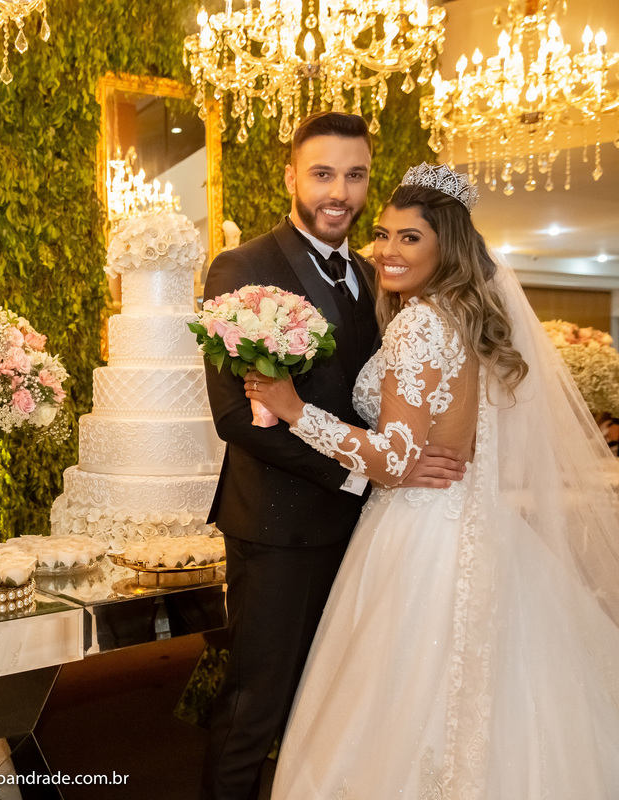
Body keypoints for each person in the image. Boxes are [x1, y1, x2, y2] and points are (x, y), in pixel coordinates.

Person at [248, 164, 619, 797]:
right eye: (385, 235)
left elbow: (395, 457)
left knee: (401, 702)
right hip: (472, 523)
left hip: (420, 532)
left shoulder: (421, 321)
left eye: (410, 238)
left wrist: (293, 409)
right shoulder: (464, 316)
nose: (388, 250)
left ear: (446, 244)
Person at [200, 113, 465, 800]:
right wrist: (365, 472)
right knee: (253, 707)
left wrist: (398, 462)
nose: (339, 191)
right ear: (291, 176)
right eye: (322, 173)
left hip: (370, 533)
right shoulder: (244, 266)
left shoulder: (379, 274)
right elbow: (237, 418)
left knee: (333, 707)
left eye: (354, 175)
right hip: (279, 530)